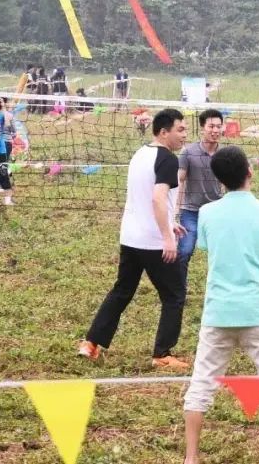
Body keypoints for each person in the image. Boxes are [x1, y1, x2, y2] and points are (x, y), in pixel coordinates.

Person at [182, 146, 259, 464]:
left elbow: (210, 251)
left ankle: (191, 457)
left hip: (217, 311)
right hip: (258, 309)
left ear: (219, 181)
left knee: (201, 384)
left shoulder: (206, 213)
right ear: (250, 172)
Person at [78, 108, 191, 369]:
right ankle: (163, 355)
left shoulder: (140, 153)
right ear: (164, 132)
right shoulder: (168, 160)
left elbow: (144, 197)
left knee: (122, 291)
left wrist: (170, 223)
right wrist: (167, 237)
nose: (185, 135)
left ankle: (92, 343)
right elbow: (157, 198)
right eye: (180, 130)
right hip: (153, 241)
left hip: (130, 237)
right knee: (174, 295)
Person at [176, 109, 225, 285]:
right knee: (184, 251)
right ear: (202, 128)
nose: (215, 130)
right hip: (190, 212)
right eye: (211, 126)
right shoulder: (188, 152)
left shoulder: (225, 154)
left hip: (216, 212)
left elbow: (230, 183)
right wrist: (175, 211)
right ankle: (178, 287)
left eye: (219, 126)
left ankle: (220, 286)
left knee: (222, 253)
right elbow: (179, 180)